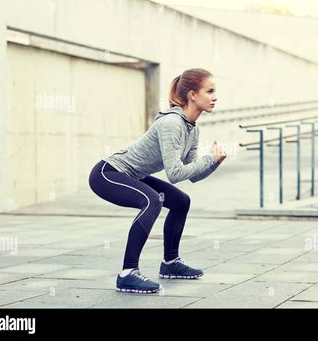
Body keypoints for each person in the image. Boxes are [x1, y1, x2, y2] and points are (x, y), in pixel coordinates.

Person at [88, 68, 227, 294]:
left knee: (181, 201)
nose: (215, 97)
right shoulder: (171, 123)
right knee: (153, 200)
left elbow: (192, 175)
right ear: (193, 95)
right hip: (108, 173)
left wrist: (214, 163)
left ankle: (170, 263)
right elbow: (174, 173)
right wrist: (209, 158)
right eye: (209, 91)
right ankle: (127, 273)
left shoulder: (192, 129)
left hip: (131, 175)